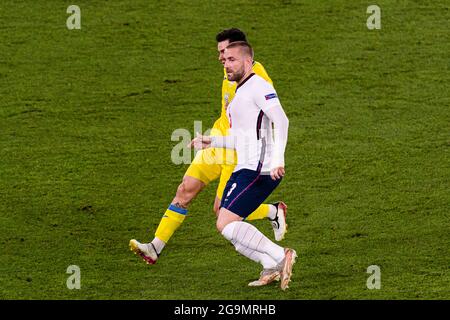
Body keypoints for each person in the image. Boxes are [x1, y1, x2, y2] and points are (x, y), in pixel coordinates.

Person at [130, 29, 288, 268]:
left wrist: (275, 156)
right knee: (185, 189)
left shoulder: (256, 78)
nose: (221, 59)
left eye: (225, 53)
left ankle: (272, 216)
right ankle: (155, 247)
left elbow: (270, 120)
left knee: (222, 212)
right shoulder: (230, 74)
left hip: (239, 153)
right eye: (220, 54)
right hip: (217, 142)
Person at [190, 41, 296, 290]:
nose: (226, 65)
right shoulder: (240, 92)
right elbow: (242, 137)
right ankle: (270, 264)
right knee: (226, 225)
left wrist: (278, 158)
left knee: (226, 223)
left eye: (232, 60)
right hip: (245, 166)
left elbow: (282, 120)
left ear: (248, 61)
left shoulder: (259, 85)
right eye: (224, 60)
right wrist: (212, 140)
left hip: (261, 168)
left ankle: (281, 256)